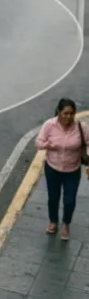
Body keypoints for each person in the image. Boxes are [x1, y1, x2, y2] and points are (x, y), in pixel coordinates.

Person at [36, 98, 89, 241]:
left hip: (73, 170)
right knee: (53, 198)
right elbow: (39, 143)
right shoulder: (49, 125)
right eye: (65, 113)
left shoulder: (81, 127)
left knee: (69, 200)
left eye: (72, 114)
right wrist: (50, 145)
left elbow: (88, 143)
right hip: (53, 168)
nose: (69, 117)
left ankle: (66, 224)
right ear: (59, 112)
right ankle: (53, 221)